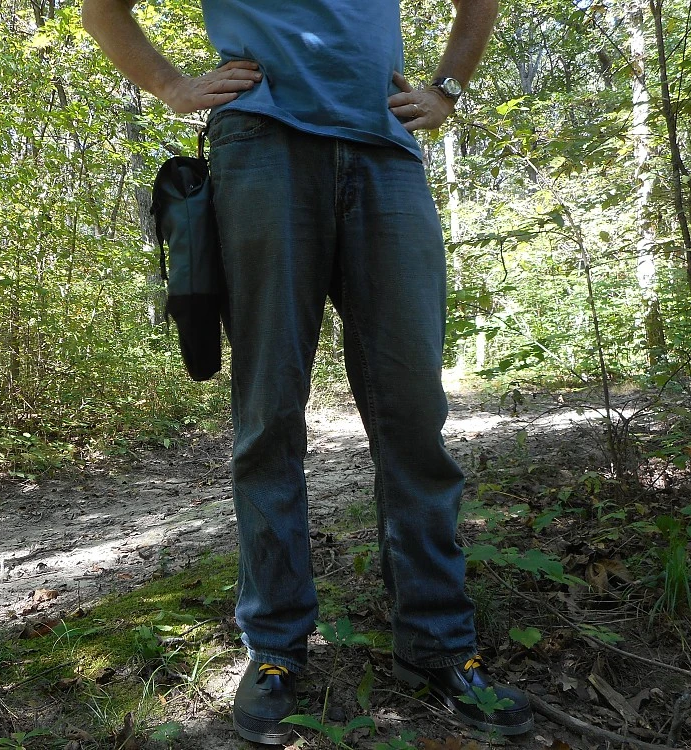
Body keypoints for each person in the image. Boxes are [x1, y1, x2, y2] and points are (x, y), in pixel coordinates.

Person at [81, 0, 534, 743]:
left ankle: (439, 644)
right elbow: (103, 11)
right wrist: (172, 86)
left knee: (413, 415)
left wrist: (448, 88)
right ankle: (275, 648)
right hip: (260, 146)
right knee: (269, 414)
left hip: (386, 151)